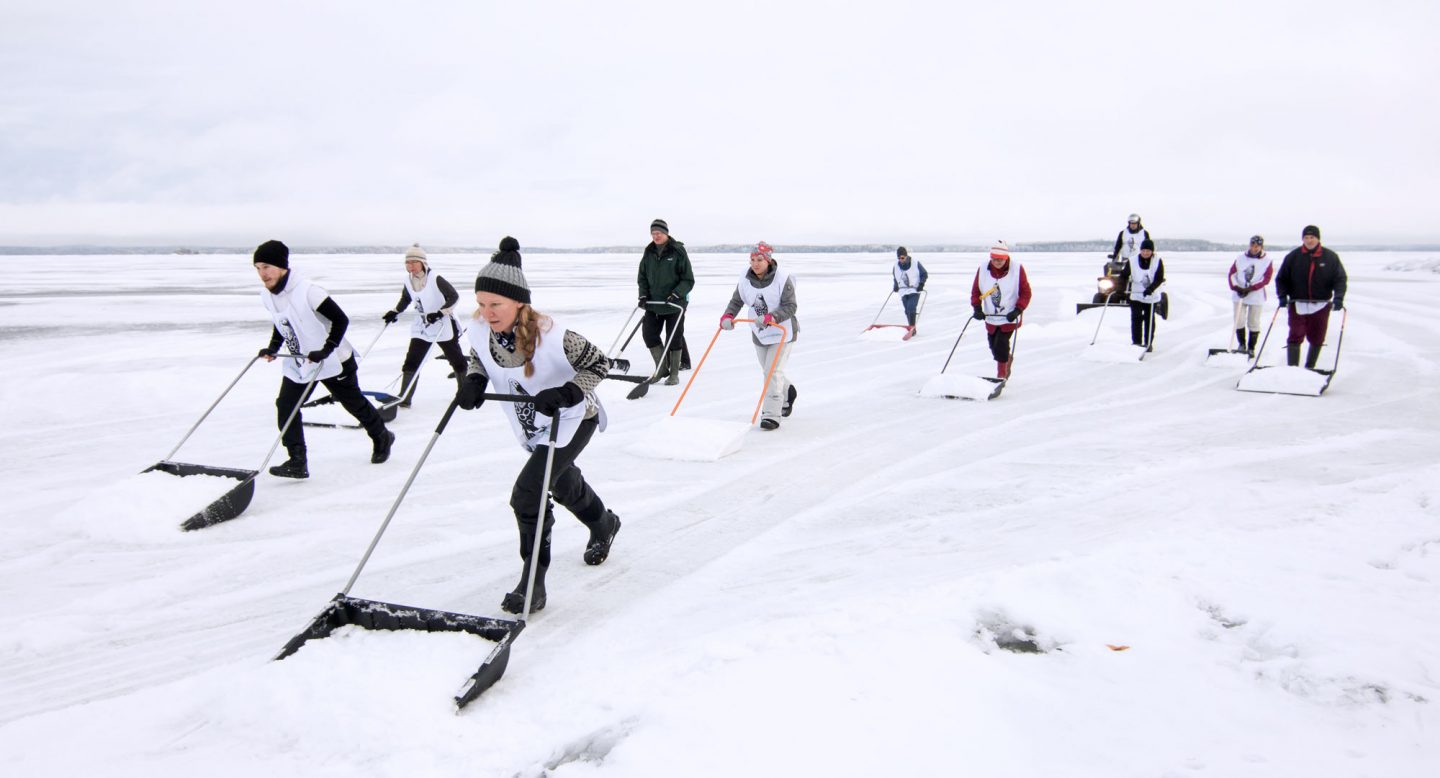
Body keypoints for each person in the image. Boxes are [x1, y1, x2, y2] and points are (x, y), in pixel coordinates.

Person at [455, 237, 621, 614]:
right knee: (561, 482)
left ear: (519, 303)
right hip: (533, 425)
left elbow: (599, 364)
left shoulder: (554, 335)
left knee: (528, 493)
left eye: (496, 304)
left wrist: (567, 392)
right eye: (481, 303)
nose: (487, 312)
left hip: (574, 419)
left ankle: (533, 581)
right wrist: (474, 380)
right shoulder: (480, 329)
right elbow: (478, 357)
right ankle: (604, 523)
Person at [253, 240, 394, 479]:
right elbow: (282, 323)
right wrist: (274, 347)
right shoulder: (269, 296)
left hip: (334, 359)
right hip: (303, 361)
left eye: (266, 267)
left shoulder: (308, 291)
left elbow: (341, 320)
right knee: (286, 405)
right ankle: (297, 461)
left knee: (352, 402)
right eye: (257, 268)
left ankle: (382, 435)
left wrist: (326, 349)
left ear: (281, 266)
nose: (262, 274)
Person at [719, 241, 799, 430]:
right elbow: (736, 300)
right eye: (752, 259)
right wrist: (728, 315)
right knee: (770, 371)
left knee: (771, 373)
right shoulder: (745, 279)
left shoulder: (782, 278)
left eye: (760, 259)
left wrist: (773, 316)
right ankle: (788, 392)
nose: (755, 263)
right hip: (760, 333)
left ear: (768, 260)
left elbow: (791, 306)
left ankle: (771, 414)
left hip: (782, 332)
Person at [380, 244, 468, 407]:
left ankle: (464, 392)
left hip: (444, 324)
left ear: (422, 263)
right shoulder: (408, 280)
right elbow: (406, 299)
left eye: (413, 262)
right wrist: (395, 311)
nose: (410, 266)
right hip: (423, 326)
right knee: (412, 361)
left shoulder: (435, 278)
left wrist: (441, 312)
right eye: (407, 263)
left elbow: (453, 296)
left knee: (456, 360)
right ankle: (404, 397)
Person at [1275, 225, 1347, 369]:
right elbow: (1281, 278)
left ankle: (1310, 367)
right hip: (1298, 303)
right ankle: (1292, 368)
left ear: (1318, 238)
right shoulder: (1293, 256)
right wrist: (1282, 296)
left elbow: (1339, 279)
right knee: (1296, 333)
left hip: (1321, 303)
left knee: (1317, 336)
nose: (1309, 240)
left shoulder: (1330, 257)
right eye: (1306, 238)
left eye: (1312, 237)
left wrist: (1338, 298)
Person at [637, 218, 695, 385]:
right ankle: (661, 368)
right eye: (653, 233)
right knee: (649, 334)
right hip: (654, 304)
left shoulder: (678, 251)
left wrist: (677, 294)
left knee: (674, 337)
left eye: (659, 233)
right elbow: (642, 277)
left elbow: (688, 279)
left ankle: (674, 373)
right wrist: (643, 295)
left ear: (666, 233)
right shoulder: (648, 252)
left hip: (674, 304)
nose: (656, 236)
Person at [970, 241, 1031, 378]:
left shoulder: (1017, 269)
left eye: (1000, 259)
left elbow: (1026, 293)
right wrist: (977, 308)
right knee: (993, 345)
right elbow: (976, 290)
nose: (996, 262)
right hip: (991, 316)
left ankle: (1001, 374)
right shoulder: (983, 268)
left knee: (1001, 344)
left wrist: (1018, 310)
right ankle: (1007, 360)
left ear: (1006, 258)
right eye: (994, 259)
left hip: (1010, 315)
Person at [1227, 235, 1273, 355]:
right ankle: (1241, 344)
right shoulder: (1240, 258)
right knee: (1239, 320)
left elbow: (1265, 279)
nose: (1254, 248)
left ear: (1261, 247)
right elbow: (1232, 274)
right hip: (1239, 294)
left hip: (1256, 296)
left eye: (1257, 246)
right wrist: (1236, 287)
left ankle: (1251, 347)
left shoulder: (1267, 261)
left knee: (1253, 322)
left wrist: (1251, 288)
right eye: (1252, 245)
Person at [1121, 238, 1166, 349]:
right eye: (1144, 250)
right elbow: (1123, 276)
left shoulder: (1157, 261)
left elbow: (1159, 278)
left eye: (1148, 251)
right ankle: (1136, 343)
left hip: (1151, 295)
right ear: (1140, 250)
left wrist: (1150, 289)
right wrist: (1121, 289)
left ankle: (1148, 343)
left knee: (1149, 319)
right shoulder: (1132, 261)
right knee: (1136, 318)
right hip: (1136, 294)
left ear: (1152, 252)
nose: (1145, 253)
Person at [893, 246, 929, 338]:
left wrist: (921, 284)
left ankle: (912, 328)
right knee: (907, 310)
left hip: (914, 290)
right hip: (903, 290)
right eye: (899, 258)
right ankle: (911, 328)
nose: (900, 260)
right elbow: (895, 277)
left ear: (906, 256)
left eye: (902, 257)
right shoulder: (896, 266)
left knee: (911, 307)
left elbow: (924, 274)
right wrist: (896, 286)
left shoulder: (915, 263)